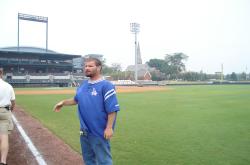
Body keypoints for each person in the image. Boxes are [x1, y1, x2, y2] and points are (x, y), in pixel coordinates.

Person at [54, 57, 120, 165]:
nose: (86, 68)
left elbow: (112, 109)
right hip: (84, 132)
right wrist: (63, 102)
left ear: (99, 68)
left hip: (99, 131)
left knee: (104, 161)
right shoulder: (83, 85)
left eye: (90, 66)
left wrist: (109, 128)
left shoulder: (106, 86)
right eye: (85, 66)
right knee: (88, 160)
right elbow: (76, 100)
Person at [0, 68, 15, 165]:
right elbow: (13, 102)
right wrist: (10, 111)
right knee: (4, 136)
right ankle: (3, 161)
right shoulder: (8, 86)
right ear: (1, 73)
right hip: (4, 111)